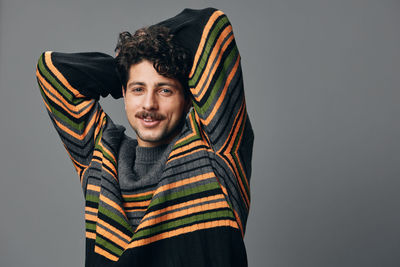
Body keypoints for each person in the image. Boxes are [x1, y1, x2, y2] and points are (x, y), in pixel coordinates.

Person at [36, 7, 254, 267]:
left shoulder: (216, 153)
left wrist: (150, 46)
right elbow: (50, 70)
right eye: (138, 89)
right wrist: (128, 65)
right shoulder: (100, 157)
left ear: (187, 101)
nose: (149, 103)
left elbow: (212, 26)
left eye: (165, 90)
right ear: (124, 94)